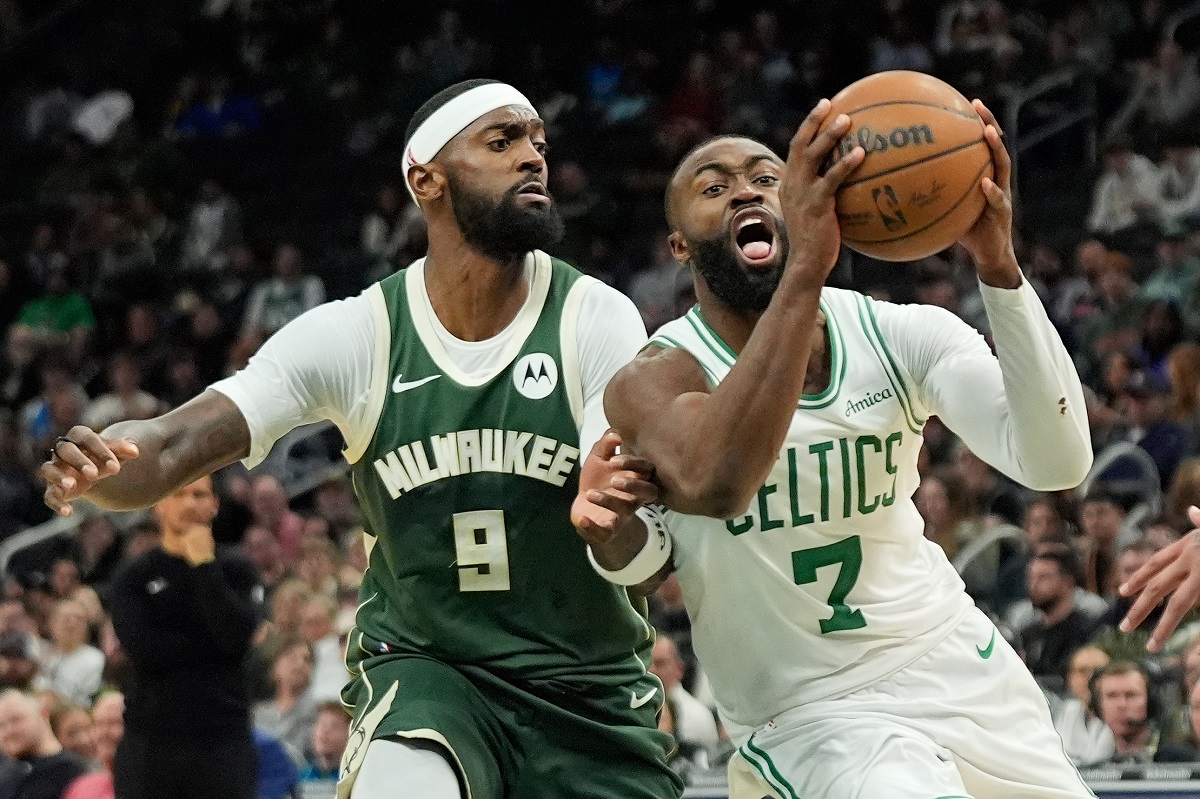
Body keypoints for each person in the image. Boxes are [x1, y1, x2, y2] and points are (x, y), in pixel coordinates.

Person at [40, 78, 680, 799]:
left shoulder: (596, 317)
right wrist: (104, 457)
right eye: (502, 141)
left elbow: (642, 553)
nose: (532, 157)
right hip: (430, 672)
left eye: (536, 140)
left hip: (583, 686)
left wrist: (614, 524)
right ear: (425, 178)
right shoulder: (357, 335)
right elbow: (168, 443)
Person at [572, 100, 1097, 798]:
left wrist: (999, 267)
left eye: (766, 177)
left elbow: (1057, 462)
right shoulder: (655, 376)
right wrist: (610, 535)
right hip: (810, 713)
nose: (745, 191)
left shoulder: (900, 333)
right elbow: (700, 500)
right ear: (678, 245)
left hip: (958, 665)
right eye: (714, 185)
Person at [105, 476, 263, 799]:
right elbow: (144, 650)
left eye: (199, 494)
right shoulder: (132, 577)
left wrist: (204, 566)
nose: (189, 503)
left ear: (215, 505)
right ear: (158, 505)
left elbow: (237, 638)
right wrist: (211, 647)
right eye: (177, 494)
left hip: (224, 738)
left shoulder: (239, 570)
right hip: (151, 741)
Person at [1086, 660, 1196, 765]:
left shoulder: (1181, 759)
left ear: (1151, 701)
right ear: (1097, 705)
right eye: (1112, 696)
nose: (1121, 705)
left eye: (1131, 695)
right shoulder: (1090, 758)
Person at [0, 688, 90, 798]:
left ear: (43, 715)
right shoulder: (7, 774)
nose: (9, 731)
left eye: (16, 720)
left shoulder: (71, 770)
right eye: (1, 725)